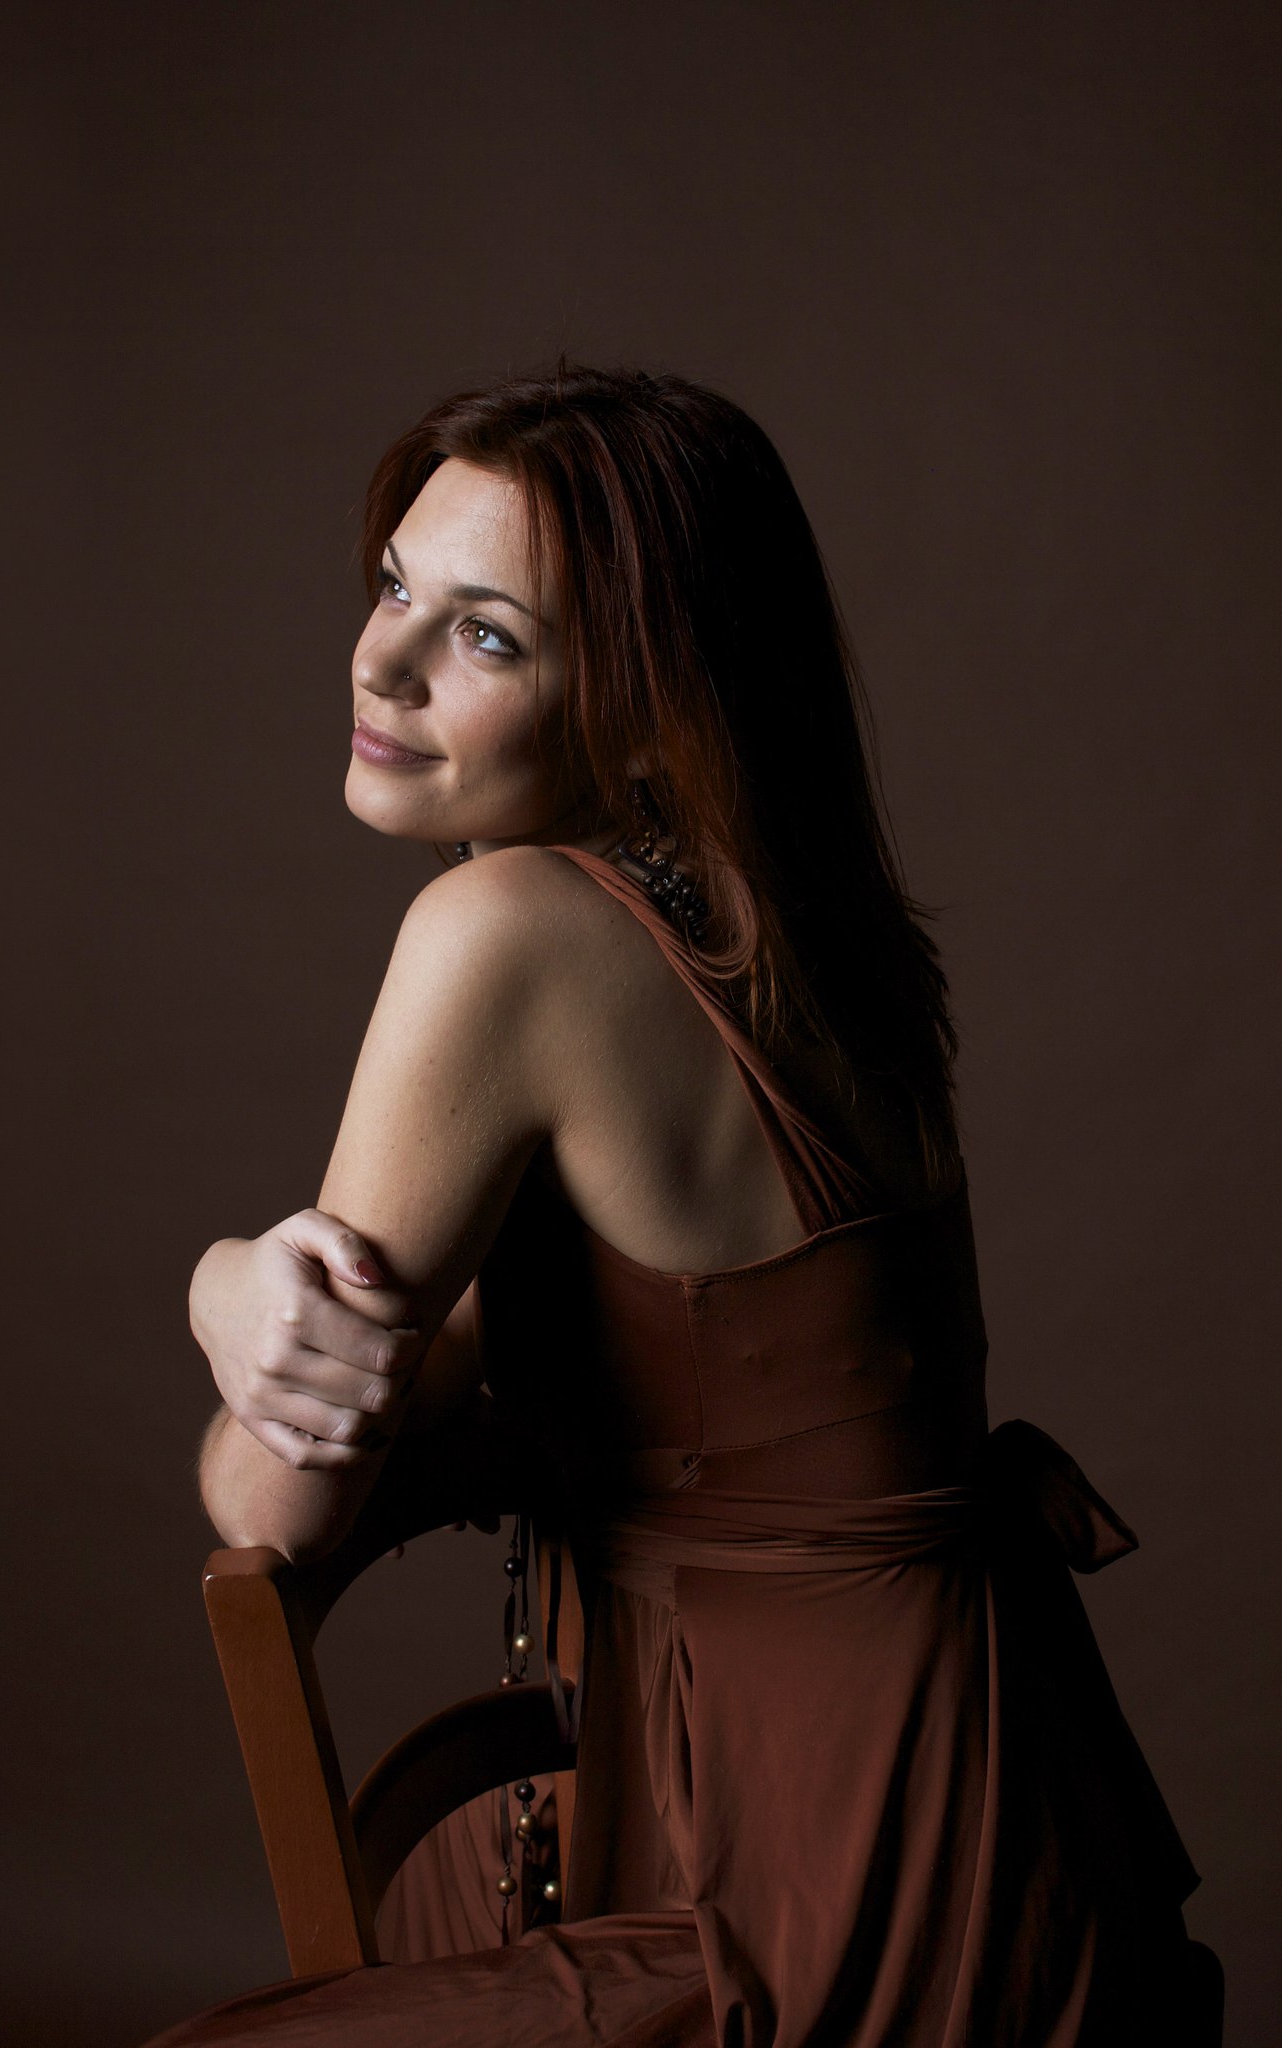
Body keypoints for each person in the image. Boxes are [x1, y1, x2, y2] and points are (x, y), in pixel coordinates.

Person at [154, 361, 1220, 2046]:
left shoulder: (507, 932)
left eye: (485, 635)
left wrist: (226, 1294)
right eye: (394, 587)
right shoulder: (797, 933)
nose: (380, 660)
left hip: (816, 1883)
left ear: (652, 708)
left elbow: (269, 1507)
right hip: (994, 1813)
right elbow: (470, 1367)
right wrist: (232, 1281)